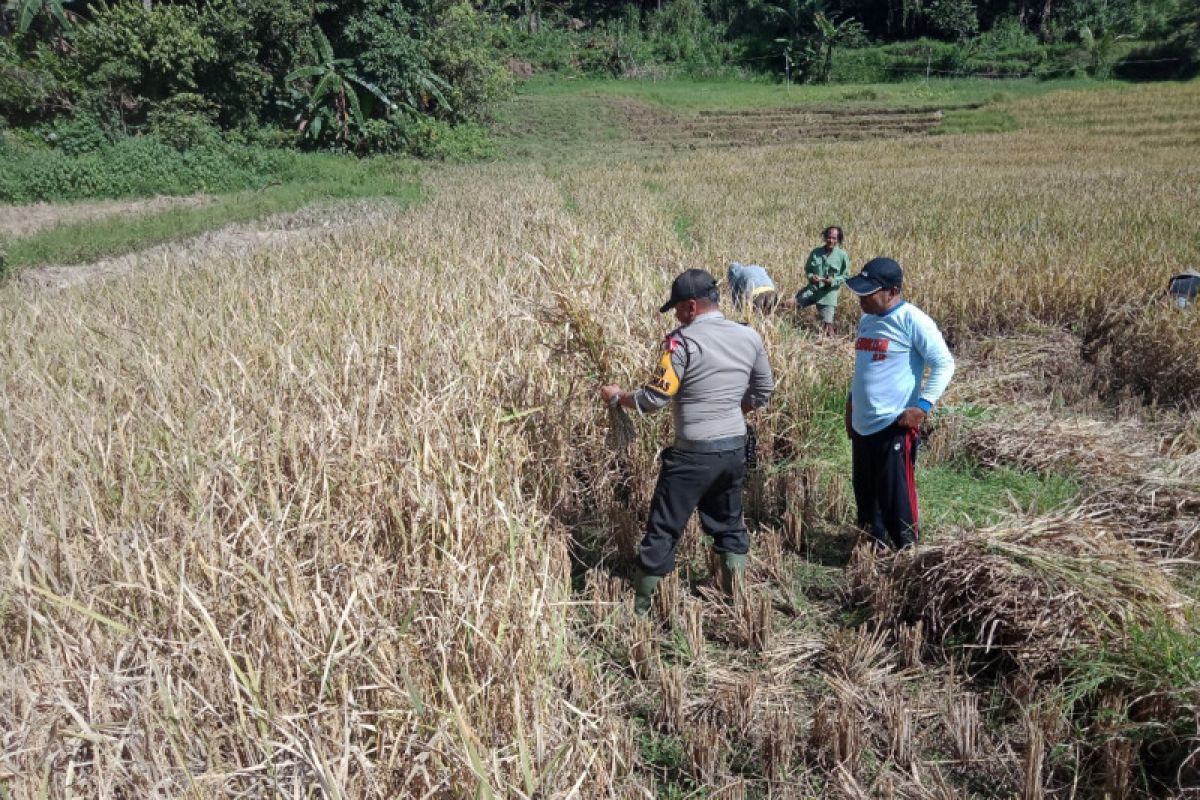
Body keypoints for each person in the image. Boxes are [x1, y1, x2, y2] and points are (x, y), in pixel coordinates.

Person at [600, 269, 775, 616]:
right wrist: (731, 411)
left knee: (664, 527)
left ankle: (640, 611)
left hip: (692, 455)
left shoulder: (681, 342)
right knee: (728, 522)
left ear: (692, 306)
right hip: (735, 449)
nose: (677, 315)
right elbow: (763, 391)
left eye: (678, 308)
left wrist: (619, 397)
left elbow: (654, 398)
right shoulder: (749, 336)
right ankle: (734, 597)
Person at [843, 257, 954, 551]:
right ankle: (873, 549)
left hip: (894, 425)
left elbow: (943, 364)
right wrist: (851, 404)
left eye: (868, 292)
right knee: (866, 495)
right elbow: (863, 368)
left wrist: (922, 407)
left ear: (892, 291)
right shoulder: (866, 321)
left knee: (897, 499)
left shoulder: (913, 321)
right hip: (863, 425)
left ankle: (906, 552)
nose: (861, 299)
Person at [795, 226, 851, 336]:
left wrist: (833, 281)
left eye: (834, 238)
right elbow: (808, 269)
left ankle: (831, 344)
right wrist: (811, 277)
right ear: (825, 237)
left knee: (827, 326)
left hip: (828, 294)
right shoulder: (816, 252)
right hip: (813, 289)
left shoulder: (842, 255)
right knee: (791, 305)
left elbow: (845, 276)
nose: (831, 240)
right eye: (829, 237)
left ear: (838, 240)